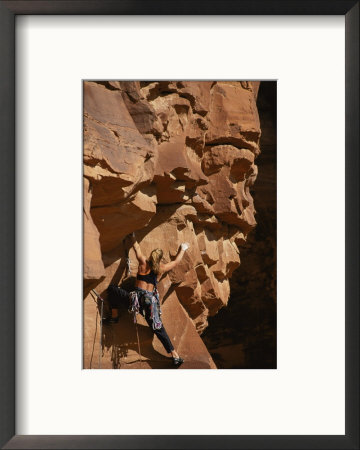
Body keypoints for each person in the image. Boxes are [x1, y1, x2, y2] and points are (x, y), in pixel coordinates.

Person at [128, 232, 190, 367]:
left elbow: (137, 249)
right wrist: (183, 248)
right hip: (149, 302)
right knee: (157, 327)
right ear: (160, 259)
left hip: (136, 299)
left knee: (113, 290)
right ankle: (175, 355)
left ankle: (114, 316)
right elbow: (176, 262)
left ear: (151, 256)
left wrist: (132, 235)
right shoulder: (161, 268)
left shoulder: (143, 262)